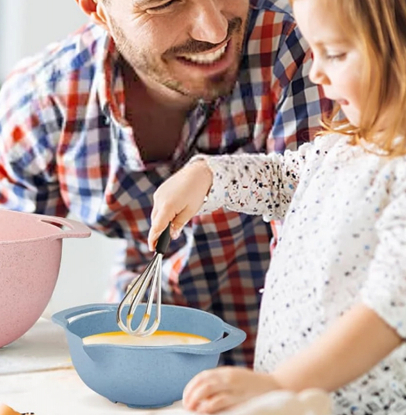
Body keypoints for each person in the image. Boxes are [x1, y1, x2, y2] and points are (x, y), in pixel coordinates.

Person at [0, 0, 330, 367]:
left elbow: (320, 259)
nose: (214, 30)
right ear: (96, 8)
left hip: (295, 362)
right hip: (143, 349)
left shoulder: (311, 47)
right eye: (164, 2)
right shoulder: (46, 100)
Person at [148, 0, 406, 413]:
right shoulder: (344, 146)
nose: (315, 72)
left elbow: (389, 312)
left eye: (335, 54)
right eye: (313, 50)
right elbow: (283, 180)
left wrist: (280, 382)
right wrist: (207, 176)